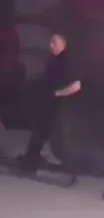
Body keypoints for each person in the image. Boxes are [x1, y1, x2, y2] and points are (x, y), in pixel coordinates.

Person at [19, 31, 81, 171]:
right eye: (50, 42)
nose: (51, 45)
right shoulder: (53, 60)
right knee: (39, 131)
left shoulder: (66, 62)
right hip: (48, 104)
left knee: (50, 134)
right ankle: (30, 159)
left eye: (54, 42)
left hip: (58, 105)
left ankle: (34, 160)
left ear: (63, 44)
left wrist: (57, 94)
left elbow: (76, 85)